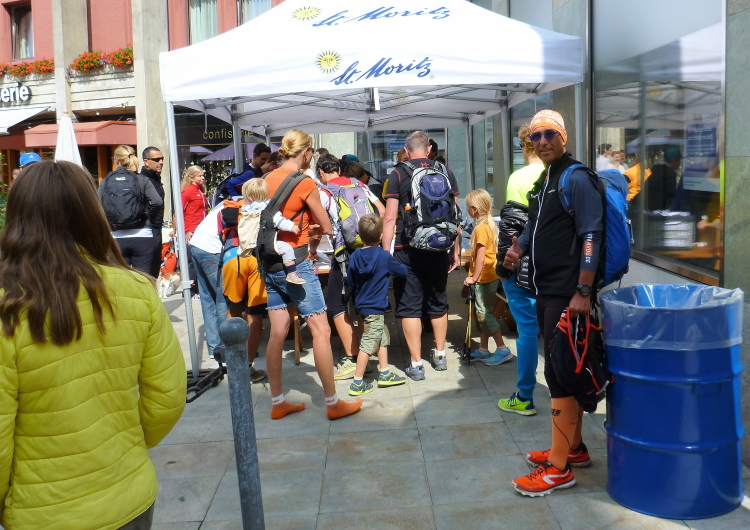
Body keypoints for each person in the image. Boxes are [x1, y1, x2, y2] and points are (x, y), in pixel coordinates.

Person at [0, 160, 186, 528]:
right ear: (92, 212)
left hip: (43, 510)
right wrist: (124, 446)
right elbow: (168, 397)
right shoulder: (136, 289)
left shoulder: (9, 307)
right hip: (129, 494)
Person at [504, 109, 603, 496]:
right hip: (548, 290)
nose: (542, 141)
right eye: (536, 136)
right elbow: (536, 225)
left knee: (559, 376)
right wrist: (518, 248)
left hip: (567, 292)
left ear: (564, 137)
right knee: (563, 370)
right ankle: (572, 448)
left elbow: (592, 235)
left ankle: (558, 468)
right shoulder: (547, 179)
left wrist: (583, 291)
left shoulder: (576, 177)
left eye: (549, 134)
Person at [261, 129, 362, 421]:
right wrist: (312, 229)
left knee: (278, 332)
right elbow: (327, 225)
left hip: (270, 262)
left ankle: (277, 401)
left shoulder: (267, 179)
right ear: (306, 153)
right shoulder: (305, 182)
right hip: (298, 263)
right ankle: (332, 402)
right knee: (321, 330)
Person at [382, 130, 460, 379]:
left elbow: (389, 218)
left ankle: (416, 364)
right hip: (439, 245)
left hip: (407, 249)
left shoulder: (398, 173)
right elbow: (454, 215)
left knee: (409, 305)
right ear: (428, 150)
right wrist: (455, 249)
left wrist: (385, 254)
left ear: (406, 151)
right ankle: (440, 354)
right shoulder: (445, 171)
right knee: (438, 301)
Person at [313, 154, 382, 380]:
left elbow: (322, 227)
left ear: (321, 172)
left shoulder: (324, 192)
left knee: (335, 304)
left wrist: (313, 249)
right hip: (368, 250)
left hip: (344, 255)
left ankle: (353, 359)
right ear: (339, 169)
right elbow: (381, 211)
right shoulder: (358, 184)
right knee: (362, 305)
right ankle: (367, 357)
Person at [496, 124, 542, 416]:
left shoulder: (519, 178)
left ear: (525, 146)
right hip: (556, 268)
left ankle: (525, 395)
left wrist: (503, 267)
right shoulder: (560, 174)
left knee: (527, 331)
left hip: (524, 268)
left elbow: (512, 229)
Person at [346, 214, 408, 395]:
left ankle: (385, 372)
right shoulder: (383, 256)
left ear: (360, 235)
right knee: (368, 344)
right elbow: (402, 271)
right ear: (381, 236)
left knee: (382, 336)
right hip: (376, 307)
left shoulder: (356, 255)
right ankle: (357, 382)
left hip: (362, 306)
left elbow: (351, 280)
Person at [463, 189, 513, 366]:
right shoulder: (488, 225)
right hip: (490, 276)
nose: (467, 210)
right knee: (483, 313)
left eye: (468, 207)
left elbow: (481, 256)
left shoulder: (480, 228)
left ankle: (502, 349)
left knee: (485, 314)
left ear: (475, 209)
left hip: (484, 277)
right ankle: (483, 349)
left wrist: (473, 277)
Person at [99, 145, 163, 275]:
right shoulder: (141, 180)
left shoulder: (105, 182)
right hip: (142, 236)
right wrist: (147, 215)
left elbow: (97, 205)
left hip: (115, 237)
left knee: (120, 280)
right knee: (144, 279)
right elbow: (157, 202)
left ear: (116, 160)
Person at [242, 178, 306, 285]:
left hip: (253, 244)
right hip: (268, 243)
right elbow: (279, 220)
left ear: (250, 199)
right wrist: (292, 227)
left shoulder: (246, 210)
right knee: (287, 249)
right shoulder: (268, 209)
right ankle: (292, 273)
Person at [189, 202, 230, 362]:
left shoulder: (225, 203)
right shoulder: (242, 206)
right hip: (211, 250)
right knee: (222, 299)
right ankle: (224, 348)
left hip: (197, 245)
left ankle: (214, 349)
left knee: (207, 300)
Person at [141, 146, 166, 278]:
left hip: (156, 228)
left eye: (161, 159)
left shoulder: (155, 178)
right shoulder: (143, 180)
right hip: (148, 230)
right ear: (146, 162)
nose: (161, 162)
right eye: (156, 160)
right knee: (148, 272)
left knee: (155, 269)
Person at [180, 166, 209, 245]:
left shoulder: (201, 190)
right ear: (191, 178)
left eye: (203, 175)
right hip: (192, 229)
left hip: (202, 228)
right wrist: (187, 230)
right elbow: (179, 212)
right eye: (199, 176)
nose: (202, 178)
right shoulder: (187, 191)